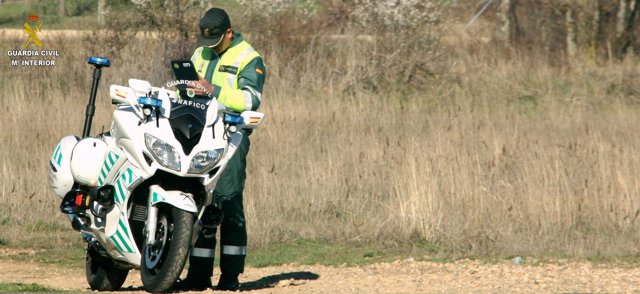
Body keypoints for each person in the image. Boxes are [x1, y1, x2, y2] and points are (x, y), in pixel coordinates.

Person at [177, 7, 266, 291]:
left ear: (229, 32)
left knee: (228, 202)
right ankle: (198, 274)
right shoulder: (201, 52)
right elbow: (190, 87)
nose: (210, 47)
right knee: (199, 202)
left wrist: (213, 90)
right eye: (207, 41)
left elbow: (251, 100)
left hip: (231, 139)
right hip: (198, 135)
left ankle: (230, 276)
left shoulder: (249, 58)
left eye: (216, 41)